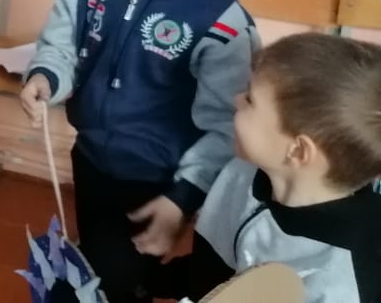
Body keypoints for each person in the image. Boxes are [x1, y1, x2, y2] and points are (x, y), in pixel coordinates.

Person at [19, 0, 259, 302]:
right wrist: (45, 78)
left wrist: (182, 198)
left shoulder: (219, 19)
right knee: (101, 263)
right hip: (91, 158)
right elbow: (60, 47)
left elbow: (228, 124)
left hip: (160, 179)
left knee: (112, 280)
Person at [155, 33, 381, 303]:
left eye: (250, 100)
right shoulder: (243, 171)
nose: (236, 99)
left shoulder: (340, 277)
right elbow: (209, 267)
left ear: (298, 151)